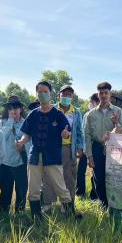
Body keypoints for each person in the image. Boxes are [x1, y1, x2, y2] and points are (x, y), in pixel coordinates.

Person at [17, 80, 73, 218]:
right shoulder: (33, 114)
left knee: (60, 186)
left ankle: (70, 213)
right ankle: (36, 217)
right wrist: (22, 141)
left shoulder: (58, 114)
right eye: (40, 92)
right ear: (36, 94)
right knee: (33, 188)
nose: (42, 94)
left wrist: (66, 133)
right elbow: (27, 133)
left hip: (53, 155)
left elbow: (67, 131)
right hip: (34, 155)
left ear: (51, 94)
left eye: (45, 92)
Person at [84, 82, 122, 208]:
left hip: (114, 150)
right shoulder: (91, 114)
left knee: (113, 177)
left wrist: (116, 123)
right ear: (98, 95)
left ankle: (114, 205)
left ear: (110, 94)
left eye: (106, 93)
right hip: (97, 148)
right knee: (98, 177)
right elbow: (87, 135)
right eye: (101, 93)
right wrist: (89, 156)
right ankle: (103, 205)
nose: (103, 95)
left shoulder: (117, 111)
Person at [43, 85, 84, 214]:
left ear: (73, 96)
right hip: (52, 148)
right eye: (64, 94)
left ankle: (67, 205)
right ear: (58, 96)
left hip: (68, 148)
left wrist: (80, 147)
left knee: (69, 176)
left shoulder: (76, 112)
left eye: (69, 94)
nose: (66, 96)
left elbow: (79, 132)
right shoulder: (51, 109)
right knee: (49, 176)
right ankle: (47, 204)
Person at [0, 96, 29, 214]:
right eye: (10, 108)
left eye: (16, 107)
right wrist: (10, 121)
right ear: (7, 109)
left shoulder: (26, 122)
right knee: (5, 189)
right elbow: (0, 137)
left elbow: (30, 140)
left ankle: (20, 212)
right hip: (6, 162)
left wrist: (22, 145)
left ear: (21, 109)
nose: (13, 110)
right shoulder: (2, 122)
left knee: (21, 189)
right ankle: (4, 212)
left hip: (21, 162)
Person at [76, 93, 99, 198]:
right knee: (81, 171)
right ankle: (81, 192)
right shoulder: (88, 114)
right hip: (87, 147)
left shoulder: (92, 114)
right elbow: (83, 132)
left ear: (96, 102)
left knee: (94, 171)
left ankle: (93, 195)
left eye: (91, 102)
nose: (90, 104)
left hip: (93, 147)